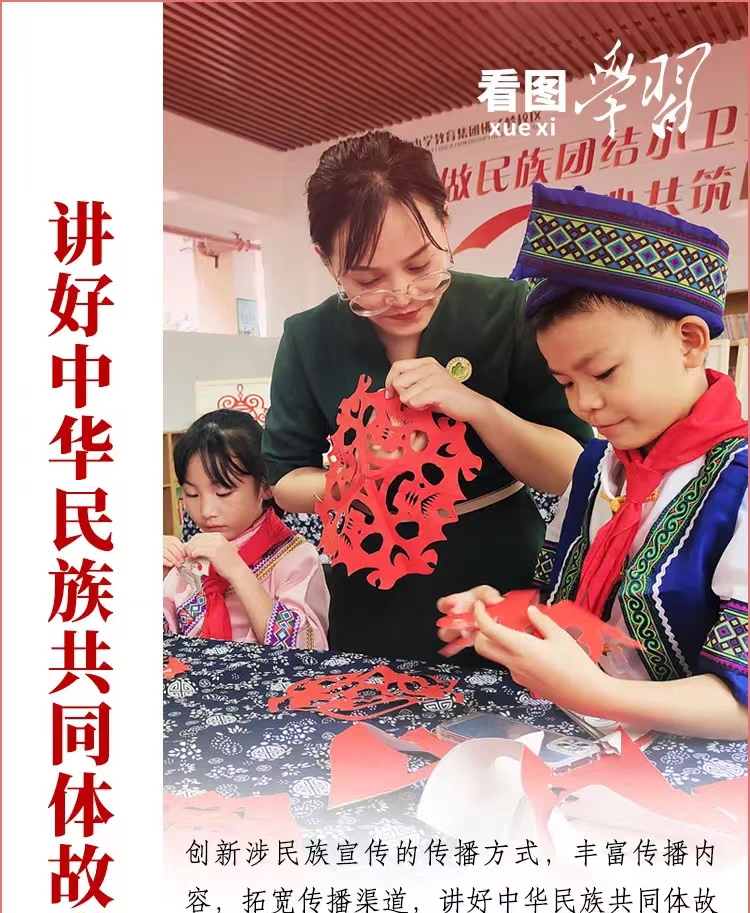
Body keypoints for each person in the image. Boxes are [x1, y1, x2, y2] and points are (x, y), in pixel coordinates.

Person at [262, 130, 592, 660]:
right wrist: (368, 476)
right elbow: (285, 480)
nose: (402, 294)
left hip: (497, 577)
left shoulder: (510, 309)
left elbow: (568, 467)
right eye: (367, 279)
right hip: (372, 579)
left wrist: (477, 408)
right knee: (372, 702)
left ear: (444, 222)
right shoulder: (308, 336)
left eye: (420, 265)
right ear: (327, 262)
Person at [438, 184, 747, 741]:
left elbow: (742, 706)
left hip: (694, 769)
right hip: (585, 742)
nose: (585, 404)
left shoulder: (739, 484)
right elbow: (565, 607)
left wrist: (594, 692)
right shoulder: (595, 469)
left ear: (689, 341)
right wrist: (508, 615)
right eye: (565, 383)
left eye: (603, 373)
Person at [163, 410, 328, 648]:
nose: (206, 510)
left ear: (265, 487)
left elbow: (308, 649)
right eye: (192, 494)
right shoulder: (190, 557)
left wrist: (237, 571)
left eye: (223, 493)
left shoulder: (297, 558)